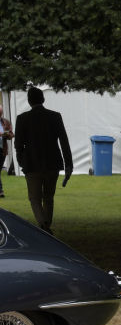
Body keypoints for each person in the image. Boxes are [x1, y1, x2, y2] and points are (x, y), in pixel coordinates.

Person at [14, 87, 72, 233]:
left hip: (32, 164)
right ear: (43, 99)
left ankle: (44, 225)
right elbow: (64, 142)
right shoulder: (55, 116)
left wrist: (21, 161)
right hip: (52, 163)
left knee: (34, 198)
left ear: (29, 101)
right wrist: (68, 164)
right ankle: (47, 227)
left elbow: (18, 144)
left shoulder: (22, 118)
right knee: (48, 197)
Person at [0, 105, 12, 197]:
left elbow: (11, 135)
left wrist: (7, 134)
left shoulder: (5, 122)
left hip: (2, 150)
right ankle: (0, 191)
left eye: (1, 112)